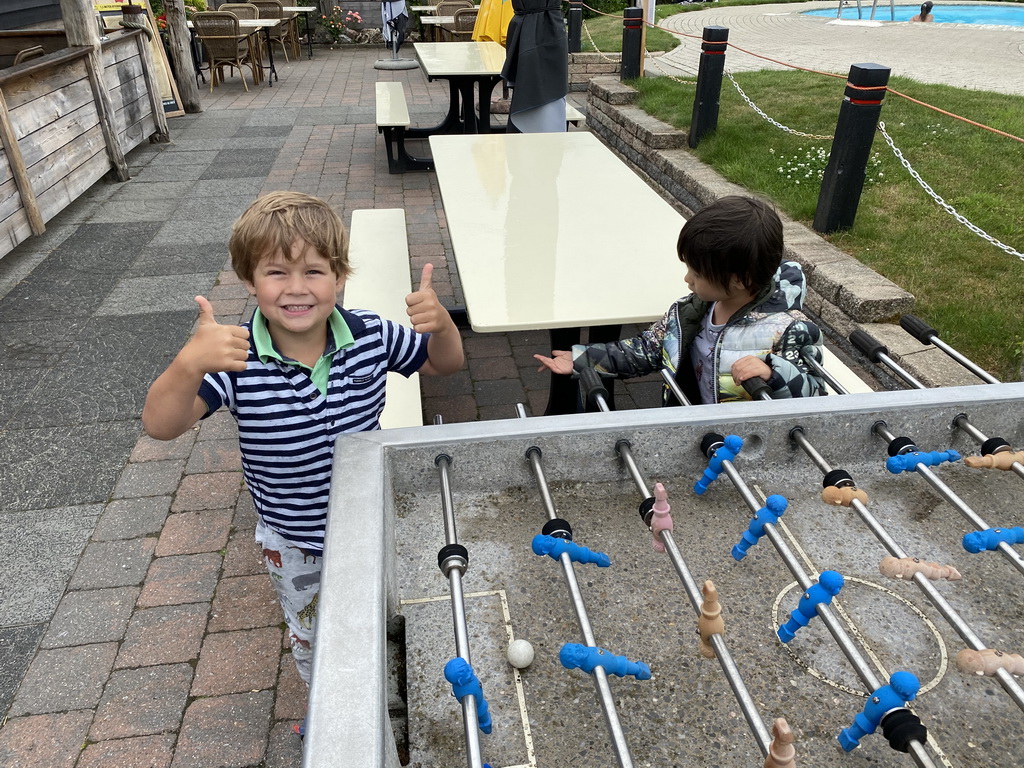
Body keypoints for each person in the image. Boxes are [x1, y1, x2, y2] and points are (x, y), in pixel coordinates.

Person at [142, 191, 464, 704]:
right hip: (296, 541)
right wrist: (188, 364)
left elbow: (443, 363)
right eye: (276, 273)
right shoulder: (236, 360)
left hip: (370, 517)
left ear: (339, 277)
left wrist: (442, 326)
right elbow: (161, 426)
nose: (297, 289)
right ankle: (335, 712)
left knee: (380, 602)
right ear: (249, 280)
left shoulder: (370, 335)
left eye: (314, 272)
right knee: (316, 635)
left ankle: (388, 674)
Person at [534, 196, 827, 405]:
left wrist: (773, 374)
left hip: (750, 443)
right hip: (695, 426)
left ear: (741, 279)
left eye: (697, 273)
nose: (687, 280)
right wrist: (584, 359)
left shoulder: (790, 330)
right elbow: (647, 350)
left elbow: (815, 394)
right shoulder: (690, 312)